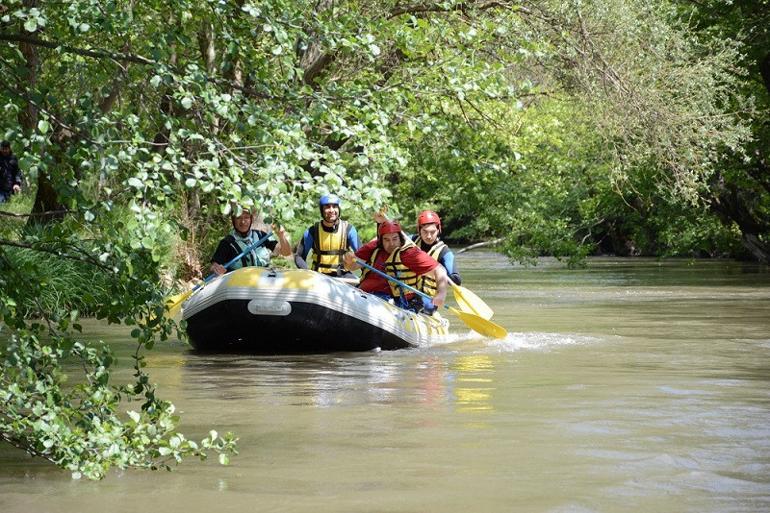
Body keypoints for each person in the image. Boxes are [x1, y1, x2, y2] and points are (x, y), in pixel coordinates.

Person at [343, 220, 448, 314]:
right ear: (381, 240)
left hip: (399, 302)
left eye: (394, 238)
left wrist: (441, 294)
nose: (391, 243)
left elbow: (440, 270)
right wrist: (348, 261)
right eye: (387, 240)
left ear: (400, 238)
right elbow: (352, 267)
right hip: (365, 294)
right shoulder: (372, 248)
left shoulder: (409, 254)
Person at [294, 194, 361, 280]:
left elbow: (362, 256)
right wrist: (308, 273)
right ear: (322, 210)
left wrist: (365, 276)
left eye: (334, 206)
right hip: (318, 276)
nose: (331, 210)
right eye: (327, 207)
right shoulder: (312, 231)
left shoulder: (349, 230)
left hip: (342, 275)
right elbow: (298, 256)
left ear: (339, 209)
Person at [210, 206, 292, 275]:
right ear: (233, 220)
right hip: (240, 283)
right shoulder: (227, 243)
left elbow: (286, 252)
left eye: (246, 217)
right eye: (238, 218)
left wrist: (281, 236)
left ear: (251, 219)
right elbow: (214, 265)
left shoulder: (261, 235)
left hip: (262, 279)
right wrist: (216, 269)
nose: (243, 222)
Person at [412, 210, 462, 297]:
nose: (429, 236)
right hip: (407, 291)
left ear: (438, 230)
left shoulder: (445, 252)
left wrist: (437, 273)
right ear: (419, 230)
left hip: (427, 298)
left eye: (432, 232)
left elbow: (457, 280)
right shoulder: (411, 241)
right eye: (425, 231)